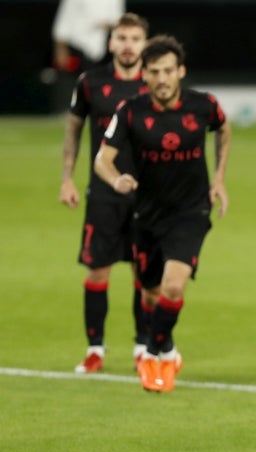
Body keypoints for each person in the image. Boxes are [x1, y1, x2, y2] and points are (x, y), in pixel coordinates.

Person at [94, 34, 231, 392]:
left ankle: (152, 356)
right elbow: (102, 160)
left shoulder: (204, 106)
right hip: (147, 215)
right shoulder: (130, 112)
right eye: (154, 71)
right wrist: (116, 179)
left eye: (169, 70)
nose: (162, 78)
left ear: (180, 71)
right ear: (145, 74)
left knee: (173, 287)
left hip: (191, 211)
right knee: (151, 295)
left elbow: (223, 129)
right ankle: (168, 351)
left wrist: (218, 178)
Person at [59, 12, 149, 374]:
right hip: (103, 193)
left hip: (146, 195)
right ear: (111, 42)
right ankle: (95, 349)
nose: (127, 46)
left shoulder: (155, 83)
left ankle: (144, 349)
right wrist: (67, 178)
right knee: (98, 271)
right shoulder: (90, 83)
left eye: (134, 39)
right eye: (121, 38)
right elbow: (73, 133)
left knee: (145, 275)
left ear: (145, 44)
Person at [52, 0, 125, 73]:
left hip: (102, 52)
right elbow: (62, 22)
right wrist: (60, 48)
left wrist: (105, 25)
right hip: (76, 46)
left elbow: (119, 22)